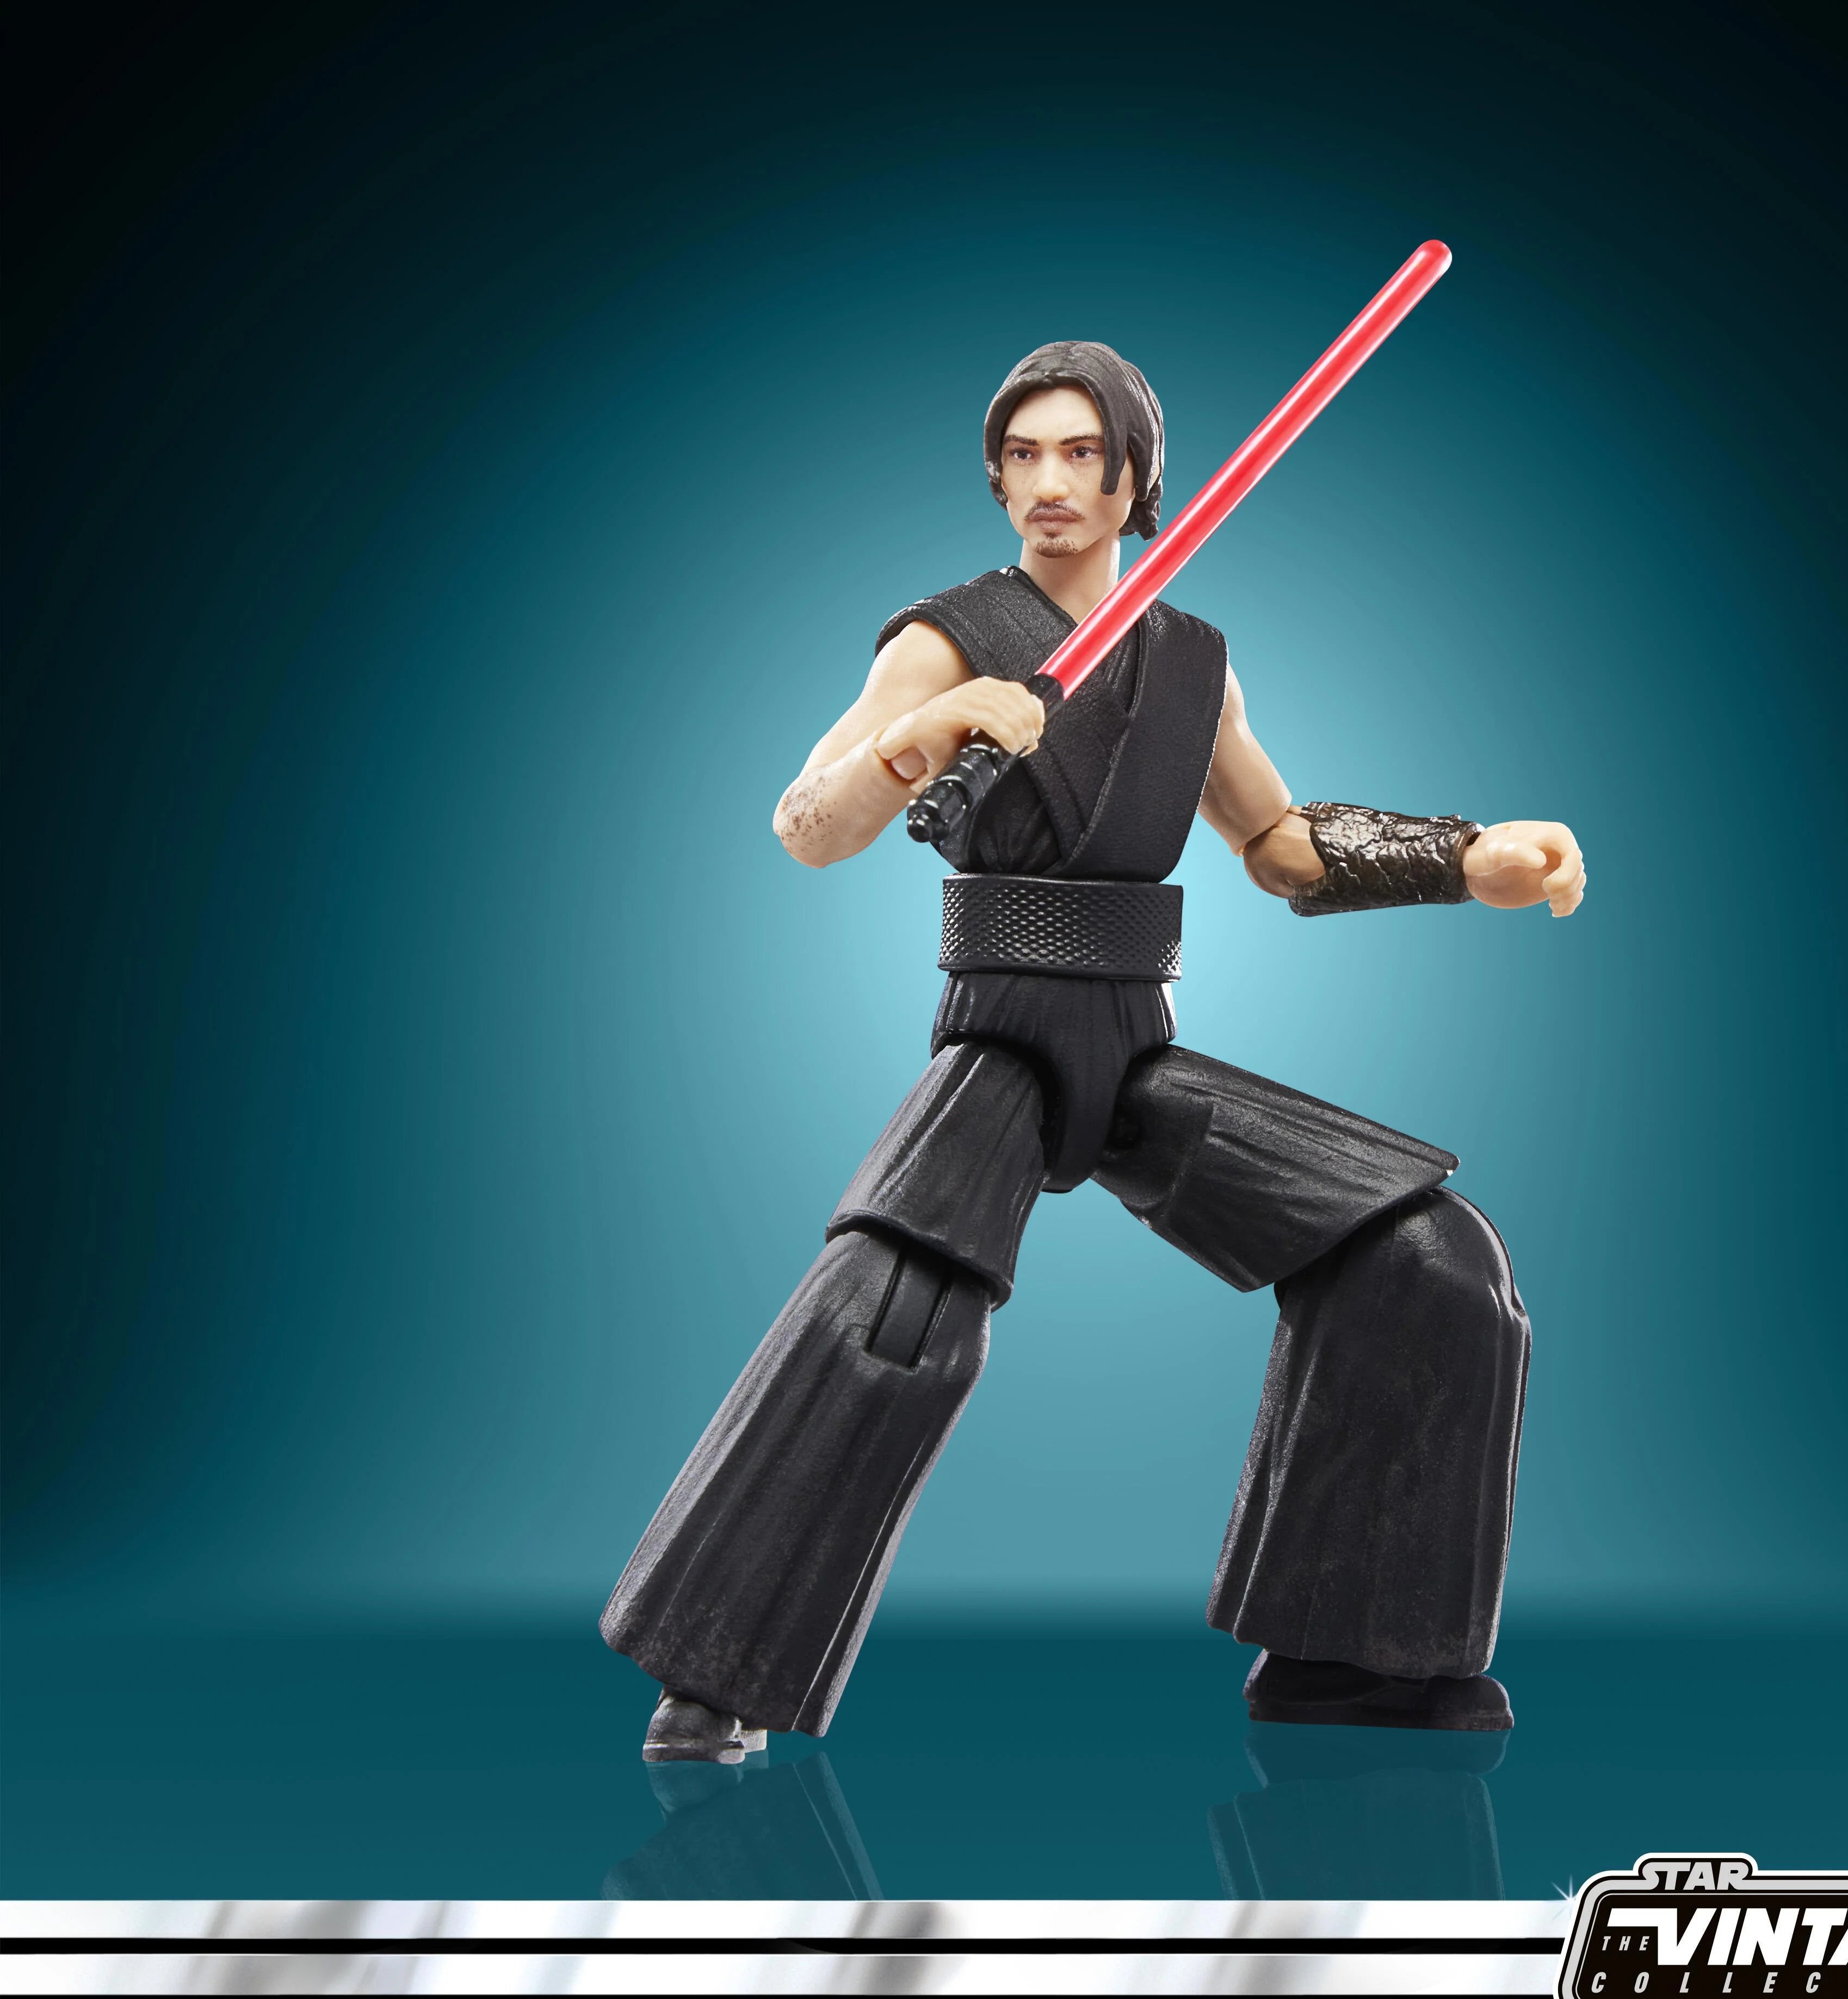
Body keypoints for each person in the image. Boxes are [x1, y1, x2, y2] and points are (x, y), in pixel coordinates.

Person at [602, 342, 1586, 1762]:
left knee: (1428, 1255)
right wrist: (925, 734)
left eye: (1081, 453)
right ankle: (715, 1670)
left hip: (1130, 1043)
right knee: (893, 1324)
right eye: (1023, 454)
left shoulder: (1191, 662)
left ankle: (1357, 1655)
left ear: (1136, 480)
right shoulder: (948, 637)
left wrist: (1462, 856)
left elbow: (1278, 841)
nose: (1049, 482)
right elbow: (807, 824)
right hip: (1001, 1039)